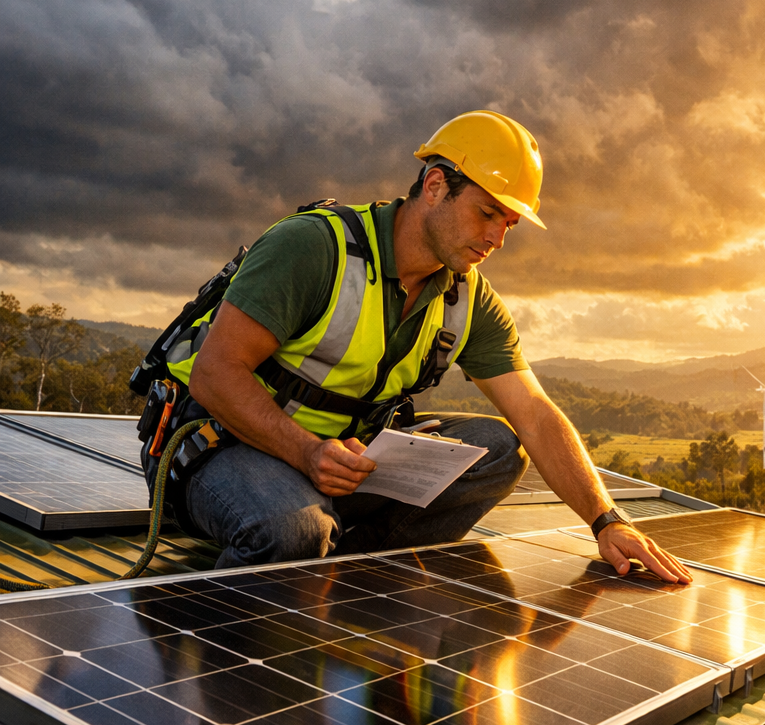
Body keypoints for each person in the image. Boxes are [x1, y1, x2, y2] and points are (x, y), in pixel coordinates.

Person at [153, 109, 691, 584]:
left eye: (509, 224)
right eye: (487, 213)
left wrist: (606, 519)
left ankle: (350, 582)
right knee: (290, 529)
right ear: (435, 185)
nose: (497, 239)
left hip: (341, 457)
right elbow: (216, 373)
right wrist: (305, 452)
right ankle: (252, 622)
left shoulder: (467, 297)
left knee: (498, 447)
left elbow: (534, 414)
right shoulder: (314, 248)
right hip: (223, 444)